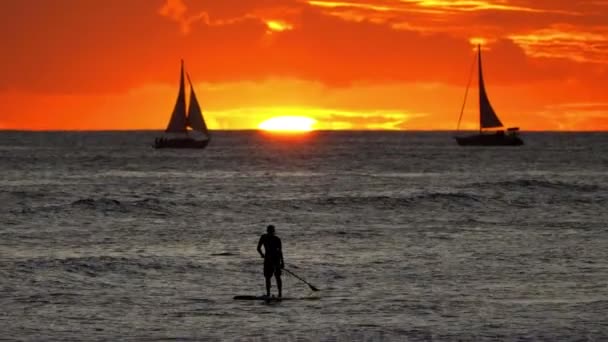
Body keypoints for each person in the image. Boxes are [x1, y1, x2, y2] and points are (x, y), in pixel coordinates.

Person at [257, 225, 284, 298]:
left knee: (277, 277)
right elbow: (258, 248)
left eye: (272, 231)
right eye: (270, 231)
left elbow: (280, 252)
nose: (271, 232)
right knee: (268, 277)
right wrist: (262, 255)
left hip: (276, 259)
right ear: (268, 231)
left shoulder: (277, 239)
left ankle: (280, 294)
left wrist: (282, 262)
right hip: (268, 260)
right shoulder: (264, 237)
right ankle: (269, 293)